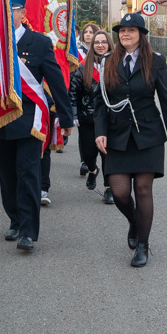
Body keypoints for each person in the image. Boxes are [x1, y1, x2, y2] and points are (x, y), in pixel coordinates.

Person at [94, 13, 167, 267]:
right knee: (120, 193)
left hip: (148, 134)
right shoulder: (107, 61)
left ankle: (142, 245)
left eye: (131, 31)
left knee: (143, 189)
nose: (125, 34)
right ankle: (135, 223)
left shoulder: (156, 61)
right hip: (117, 136)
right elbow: (100, 100)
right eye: (122, 31)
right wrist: (99, 131)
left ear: (141, 35)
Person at [0, 0, 73, 251]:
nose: (7, 14)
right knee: (6, 174)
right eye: (3, 9)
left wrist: (66, 116)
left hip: (29, 118)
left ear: (22, 14)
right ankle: (14, 220)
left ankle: (28, 231)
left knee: (27, 173)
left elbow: (55, 80)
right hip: (0, 117)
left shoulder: (38, 42)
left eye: (12, 9)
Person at [70, 29, 113, 204]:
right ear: (92, 46)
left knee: (107, 154)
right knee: (88, 155)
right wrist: (73, 115)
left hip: (110, 119)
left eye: (104, 42)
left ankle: (108, 188)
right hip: (87, 118)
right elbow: (73, 92)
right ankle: (93, 170)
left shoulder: (117, 65)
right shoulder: (83, 66)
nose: (100, 45)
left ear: (109, 44)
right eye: (97, 42)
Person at [76, 22, 100, 175]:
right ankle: (87, 162)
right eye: (86, 32)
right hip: (84, 105)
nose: (88, 35)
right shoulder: (78, 51)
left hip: (101, 108)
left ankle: (107, 185)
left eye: (92, 32)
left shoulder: (106, 55)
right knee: (86, 140)